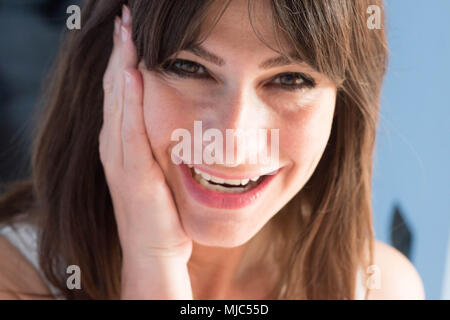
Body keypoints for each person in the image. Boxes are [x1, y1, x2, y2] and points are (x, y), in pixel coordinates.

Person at [0, 0, 425, 299]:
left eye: (291, 79)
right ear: (110, 71)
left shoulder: (380, 288)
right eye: (188, 67)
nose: (232, 143)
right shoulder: (14, 280)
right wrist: (154, 265)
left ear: (343, 103)